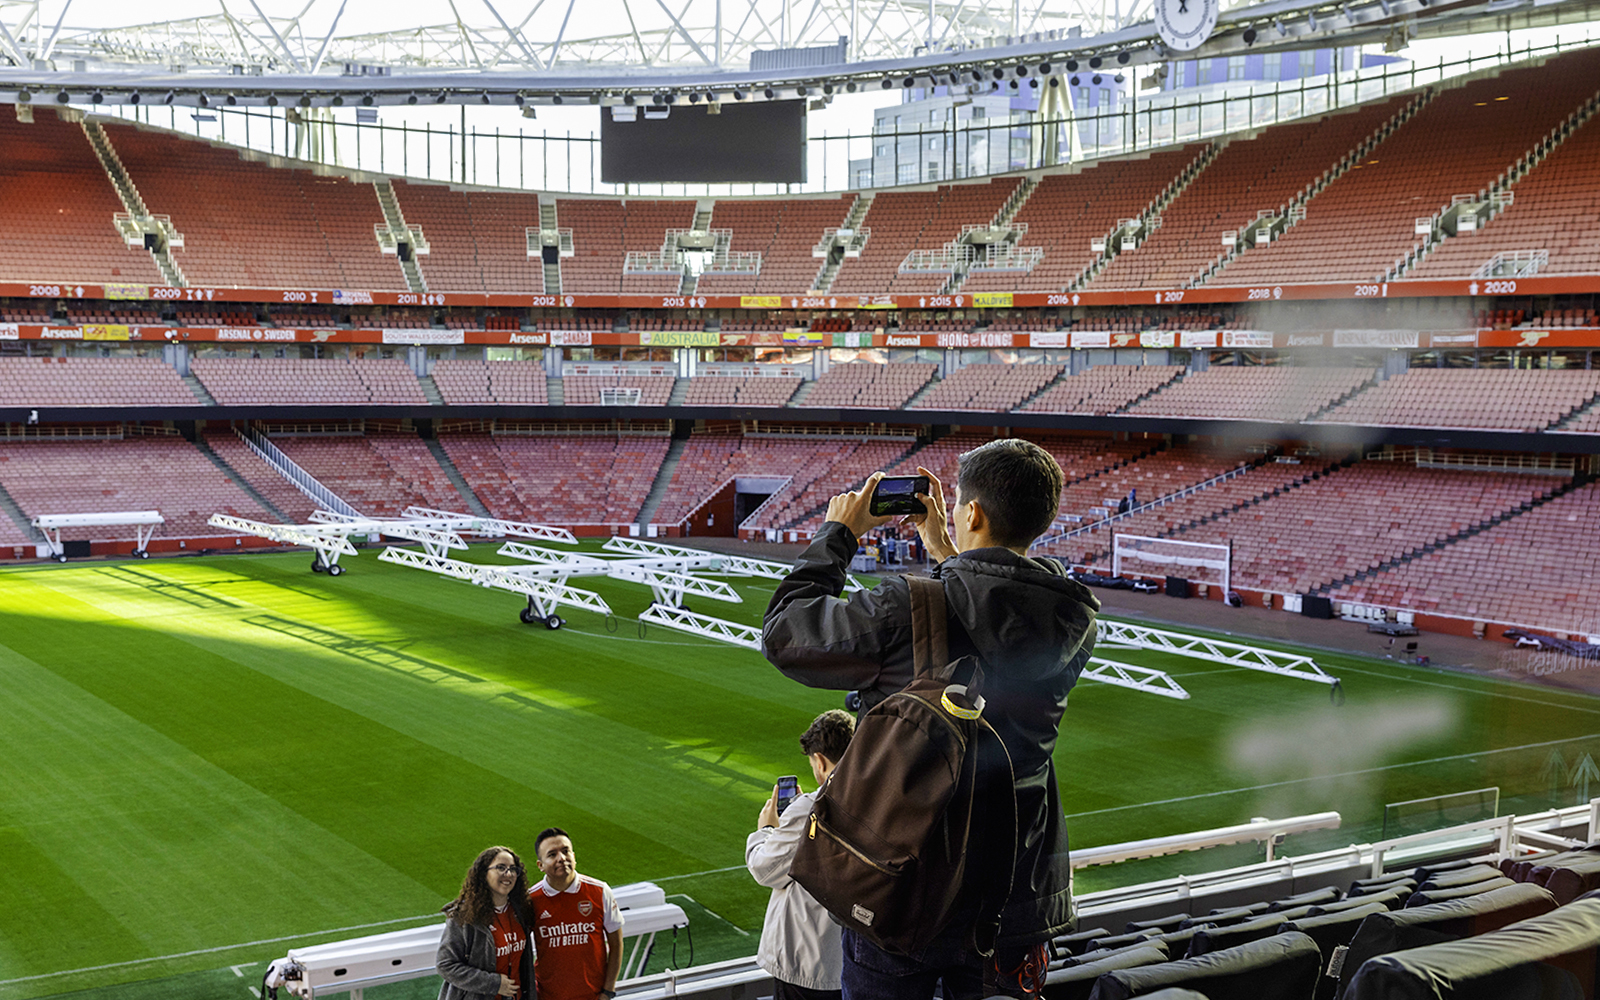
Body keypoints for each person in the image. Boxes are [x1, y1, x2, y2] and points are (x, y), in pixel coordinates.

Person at [762, 439, 1100, 1000]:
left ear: (971, 512)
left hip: (905, 885)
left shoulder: (903, 605)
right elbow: (995, 612)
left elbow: (785, 635)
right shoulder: (1073, 618)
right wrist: (946, 549)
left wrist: (838, 534)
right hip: (1012, 894)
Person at [746, 709, 858, 1000]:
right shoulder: (877, 798)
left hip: (806, 964)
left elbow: (765, 870)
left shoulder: (808, 809)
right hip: (854, 958)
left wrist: (766, 830)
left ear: (820, 760)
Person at [527, 828, 624, 1000]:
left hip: (593, 996)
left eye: (566, 851)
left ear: (574, 856)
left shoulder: (600, 891)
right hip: (546, 996)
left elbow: (616, 944)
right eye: (552, 854)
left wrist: (608, 991)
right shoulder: (529, 900)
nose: (561, 858)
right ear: (540, 865)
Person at [437, 846, 535, 1000]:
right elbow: (446, 965)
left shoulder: (521, 911)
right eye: (501, 868)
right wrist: (494, 983)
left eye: (513, 869)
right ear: (483, 873)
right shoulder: (464, 915)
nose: (508, 874)